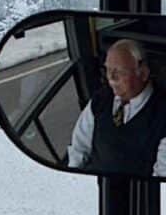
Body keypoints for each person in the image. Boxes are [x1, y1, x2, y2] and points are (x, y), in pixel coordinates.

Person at [67, 39, 166, 177]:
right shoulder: (100, 99)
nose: (111, 78)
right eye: (108, 70)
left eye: (119, 72)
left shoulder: (163, 113)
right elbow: (79, 148)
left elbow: (161, 177)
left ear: (143, 73)